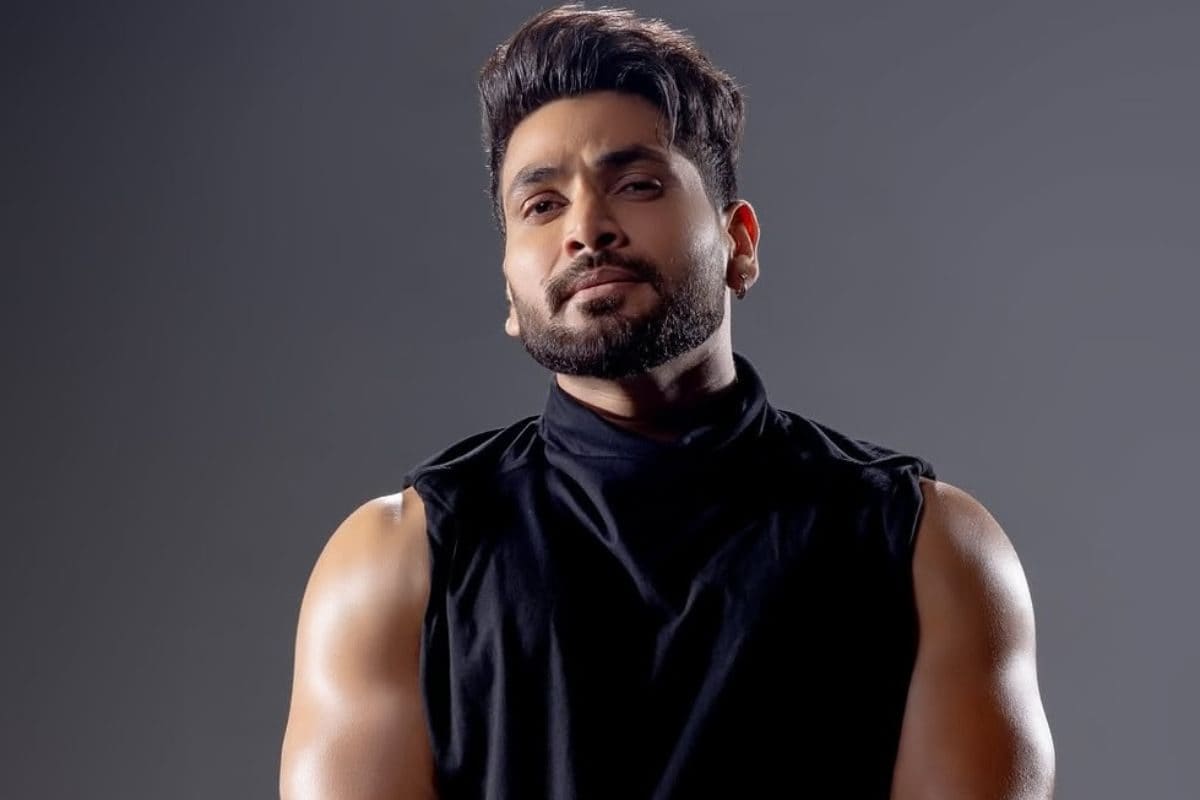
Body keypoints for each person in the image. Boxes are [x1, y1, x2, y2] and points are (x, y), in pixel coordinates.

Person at [279, 5, 1055, 799]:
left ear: (739, 244)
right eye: (541, 205)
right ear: (510, 292)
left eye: (637, 185)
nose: (587, 228)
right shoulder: (394, 566)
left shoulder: (929, 550)